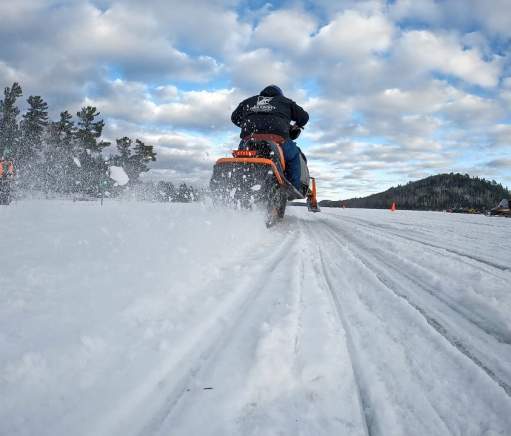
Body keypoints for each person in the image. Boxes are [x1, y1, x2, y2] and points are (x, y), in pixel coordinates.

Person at [231, 85, 309, 191]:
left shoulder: (249, 101)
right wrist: (296, 125)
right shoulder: (285, 101)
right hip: (278, 141)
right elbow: (304, 117)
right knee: (294, 156)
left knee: (241, 161)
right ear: (279, 94)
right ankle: (293, 187)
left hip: (248, 141)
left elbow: (234, 118)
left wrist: (247, 125)